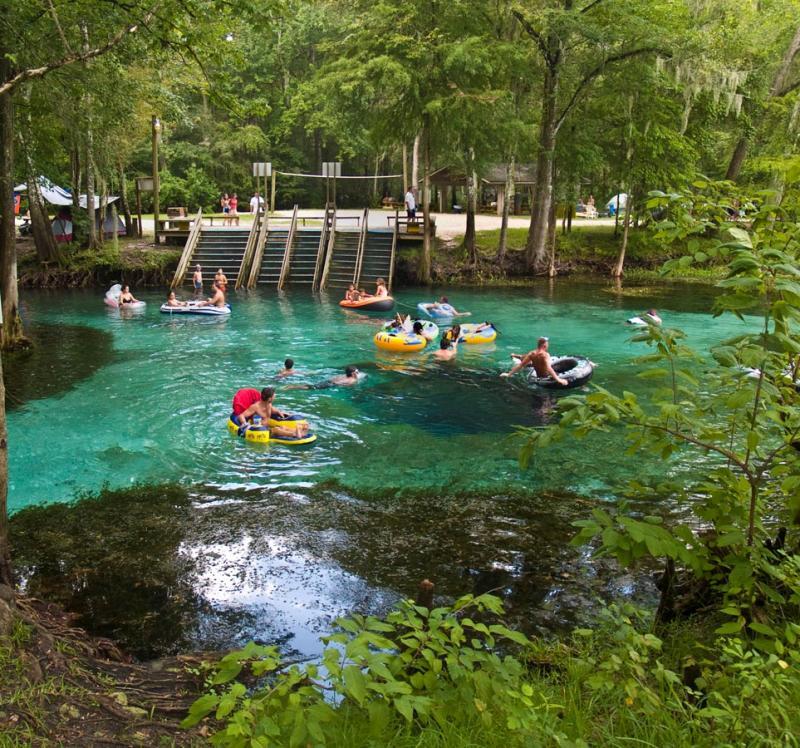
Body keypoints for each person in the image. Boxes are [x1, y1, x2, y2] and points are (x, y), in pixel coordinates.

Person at [233, 387, 308, 438]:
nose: (275, 397)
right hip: (260, 430)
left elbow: (274, 410)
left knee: (283, 427)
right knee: (276, 430)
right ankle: (294, 434)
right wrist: (246, 425)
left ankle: (300, 431)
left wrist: (283, 414)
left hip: (267, 427)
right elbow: (241, 416)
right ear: (269, 398)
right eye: (274, 396)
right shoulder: (255, 407)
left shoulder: (269, 404)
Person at [502, 336, 568, 386]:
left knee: (526, 361)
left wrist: (509, 374)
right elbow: (549, 368)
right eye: (547, 344)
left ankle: (514, 355)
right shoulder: (545, 355)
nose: (548, 345)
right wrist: (559, 380)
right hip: (546, 378)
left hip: (538, 377)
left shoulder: (532, 353)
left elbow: (520, 365)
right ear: (544, 345)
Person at [286, 366, 362, 390]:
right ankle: (293, 386)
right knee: (312, 388)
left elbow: (334, 378)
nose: (358, 373)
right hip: (331, 384)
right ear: (353, 373)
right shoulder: (352, 380)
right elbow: (344, 385)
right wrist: (355, 379)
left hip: (329, 381)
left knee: (313, 386)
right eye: (357, 371)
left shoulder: (343, 375)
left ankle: (293, 386)